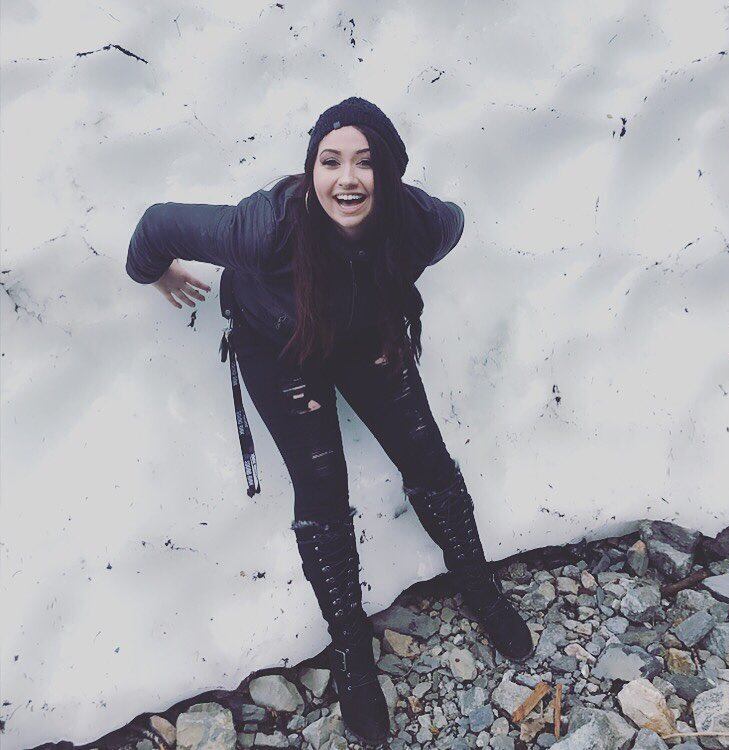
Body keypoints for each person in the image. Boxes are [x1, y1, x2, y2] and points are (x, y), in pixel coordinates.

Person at [126, 97, 533, 744]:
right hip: (281, 344)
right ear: (310, 167)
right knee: (322, 487)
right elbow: (156, 227)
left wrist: (388, 302)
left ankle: (478, 585)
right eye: (330, 161)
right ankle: (349, 649)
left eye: (366, 163)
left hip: (364, 334)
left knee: (427, 455)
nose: (347, 179)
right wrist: (156, 275)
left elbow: (447, 230)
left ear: (389, 174)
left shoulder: (421, 223)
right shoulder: (264, 229)